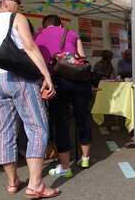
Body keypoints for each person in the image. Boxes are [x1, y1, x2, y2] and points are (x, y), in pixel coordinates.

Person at [0, 0, 59, 198]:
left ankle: (13, 182)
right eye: (17, 0)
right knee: (37, 128)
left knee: (5, 132)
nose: (20, 4)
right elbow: (30, 48)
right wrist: (47, 76)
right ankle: (36, 185)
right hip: (20, 78)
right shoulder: (17, 17)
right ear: (4, 1)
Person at [34, 14, 92, 177]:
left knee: (61, 122)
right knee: (83, 117)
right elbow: (81, 57)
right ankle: (85, 158)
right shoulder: (71, 33)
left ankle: (66, 167)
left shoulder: (37, 36)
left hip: (56, 81)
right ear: (60, 25)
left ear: (44, 26)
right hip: (80, 80)